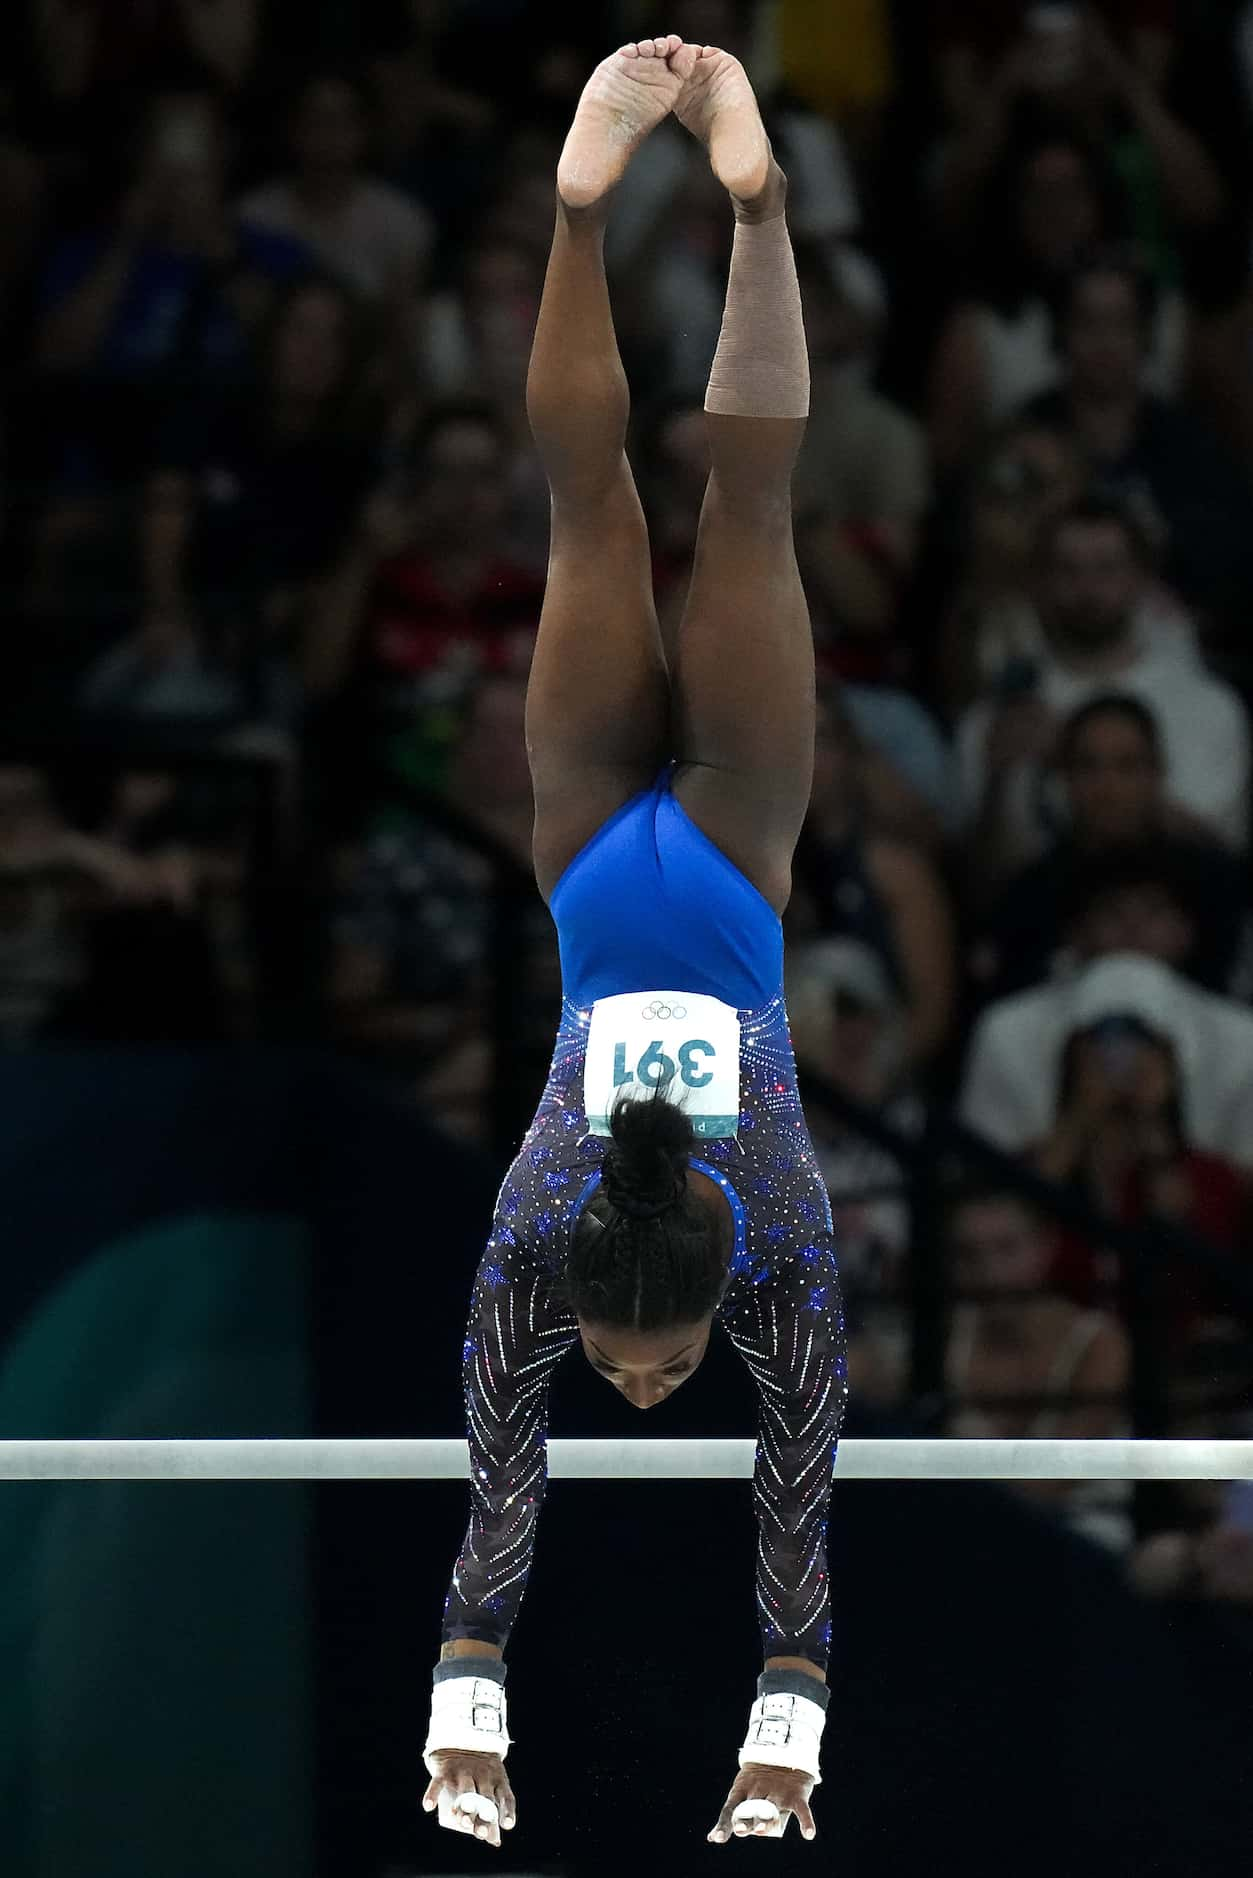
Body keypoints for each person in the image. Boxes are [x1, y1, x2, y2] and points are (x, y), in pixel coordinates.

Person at [422, 38, 845, 1855]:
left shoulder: (768, 1243)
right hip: (604, 863)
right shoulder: (538, 1235)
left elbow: (767, 1485)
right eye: (658, 1375)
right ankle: (616, 205)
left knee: (715, 510)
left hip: (724, 858)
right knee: (612, 510)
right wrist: (781, 1733)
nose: (636, 1384)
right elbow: (764, 1512)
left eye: (626, 1373)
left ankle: (727, 203)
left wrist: (470, 1706)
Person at [956, 495, 1250, 889]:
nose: (1087, 587)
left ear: (1143, 578)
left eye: (1107, 568)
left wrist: (1076, 757)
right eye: (1067, 569)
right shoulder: (1001, 712)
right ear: (1039, 582)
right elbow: (981, 884)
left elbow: (1222, 862)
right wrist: (998, 781)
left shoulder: (1208, 706)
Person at [976, 695, 1249, 999]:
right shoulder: (1030, 893)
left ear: (1157, 773)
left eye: (1127, 766)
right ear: (1064, 778)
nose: (1107, 788)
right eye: (1088, 766)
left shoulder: (1213, 883)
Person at [942, 1180, 1132, 1550]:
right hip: (968, 1546)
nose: (990, 1272)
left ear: (1045, 1247)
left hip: (1083, 1550)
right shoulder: (944, 1338)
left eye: (1007, 1249)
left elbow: (1055, 1479)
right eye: (969, 1255)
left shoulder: (1100, 1344)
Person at [961, 950, 1253, 1174]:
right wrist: (1079, 1117)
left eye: (1139, 1040)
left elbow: (1192, 1226)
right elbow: (1011, 1214)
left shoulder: (1211, 1174)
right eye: (1101, 1040)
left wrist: (1154, 1120)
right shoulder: (1039, 1156)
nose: (1120, 1058)